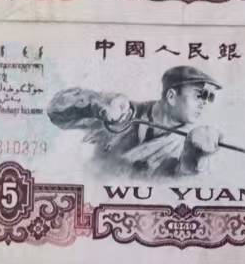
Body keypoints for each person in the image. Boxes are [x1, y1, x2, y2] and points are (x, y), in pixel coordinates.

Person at [47, 65, 222, 179]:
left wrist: (195, 158)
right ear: (171, 96)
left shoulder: (193, 144)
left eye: (209, 98)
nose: (204, 103)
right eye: (199, 95)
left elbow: (178, 187)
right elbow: (55, 112)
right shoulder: (122, 112)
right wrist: (97, 103)